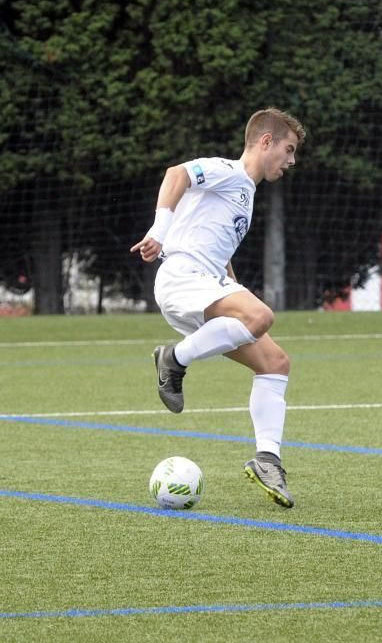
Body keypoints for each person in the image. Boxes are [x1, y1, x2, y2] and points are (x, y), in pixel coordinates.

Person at [130, 108, 305, 509]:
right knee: (261, 316)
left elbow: (218, 250)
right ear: (265, 142)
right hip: (182, 278)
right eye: (289, 149)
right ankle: (173, 359)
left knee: (276, 363)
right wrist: (158, 232)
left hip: (204, 284)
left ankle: (267, 459)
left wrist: (233, 284)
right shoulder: (228, 171)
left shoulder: (246, 193)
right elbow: (177, 174)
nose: (292, 160)